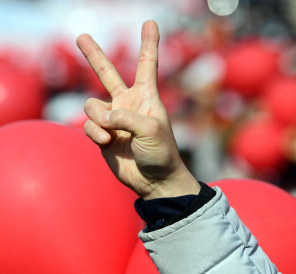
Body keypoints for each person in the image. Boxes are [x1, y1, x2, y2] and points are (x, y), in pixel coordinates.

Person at [77, 20, 279, 274]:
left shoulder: (228, 118)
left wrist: (166, 186)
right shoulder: (186, 125)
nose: (201, 95)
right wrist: (166, 186)